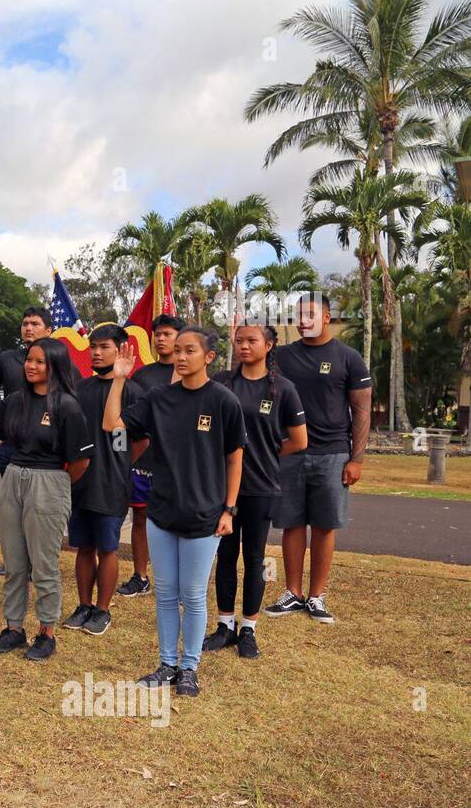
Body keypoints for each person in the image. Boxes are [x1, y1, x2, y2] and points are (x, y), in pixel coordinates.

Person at [102, 328, 245, 697]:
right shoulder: (159, 398)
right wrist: (118, 380)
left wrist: (229, 508)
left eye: (190, 350)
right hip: (161, 513)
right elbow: (112, 426)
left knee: (193, 594)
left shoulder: (224, 401)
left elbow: (235, 458)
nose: (181, 357)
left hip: (205, 516)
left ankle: (189, 668)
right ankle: (167, 664)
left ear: (209, 356)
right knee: (165, 593)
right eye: (177, 351)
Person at [0, 338, 91, 661]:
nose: (31, 365)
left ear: (54, 365)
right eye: (29, 359)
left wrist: (56, 485)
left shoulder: (66, 405)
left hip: (49, 481)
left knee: (44, 564)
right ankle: (13, 628)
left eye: (40, 361)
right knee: (14, 563)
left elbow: (80, 462)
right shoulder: (15, 400)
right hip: (13, 477)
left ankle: (46, 632)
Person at [265, 295, 371, 624]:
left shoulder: (348, 358)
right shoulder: (281, 356)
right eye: (298, 315)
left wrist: (357, 459)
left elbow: (362, 410)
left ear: (327, 317)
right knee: (292, 524)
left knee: (324, 525)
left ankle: (316, 596)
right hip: (290, 453)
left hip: (333, 453)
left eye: (310, 314)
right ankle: (293, 593)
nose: (303, 320)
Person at [203, 323, 307, 657]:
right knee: (225, 556)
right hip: (222, 488)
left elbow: (299, 440)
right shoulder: (221, 383)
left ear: (269, 345)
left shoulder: (283, 389)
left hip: (261, 486)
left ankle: (248, 629)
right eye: (239, 340)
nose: (244, 346)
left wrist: (264, 455)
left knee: (255, 558)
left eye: (252, 340)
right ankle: (224, 625)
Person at [64, 324, 146, 637]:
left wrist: (119, 462)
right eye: (93, 347)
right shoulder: (81, 389)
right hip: (81, 481)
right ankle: (84, 605)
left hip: (112, 484)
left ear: (122, 349)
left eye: (104, 347)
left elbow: (138, 442)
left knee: (107, 548)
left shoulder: (133, 391)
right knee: (84, 547)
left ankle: (102, 610)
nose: (96, 353)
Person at [0, 308, 51, 575]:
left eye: (35, 324)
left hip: (43, 450)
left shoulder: (56, 361)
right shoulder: (8, 359)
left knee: (37, 511)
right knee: (13, 511)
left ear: (48, 330)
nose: (29, 328)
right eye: (25, 323)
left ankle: (37, 564)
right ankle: (15, 563)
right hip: (9, 448)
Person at [117, 312, 184, 598]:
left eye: (167, 334)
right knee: (141, 517)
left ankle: (178, 582)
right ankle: (140, 576)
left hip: (179, 463)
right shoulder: (142, 375)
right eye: (157, 334)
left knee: (179, 521)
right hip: (144, 461)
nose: (161, 339)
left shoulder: (189, 375)